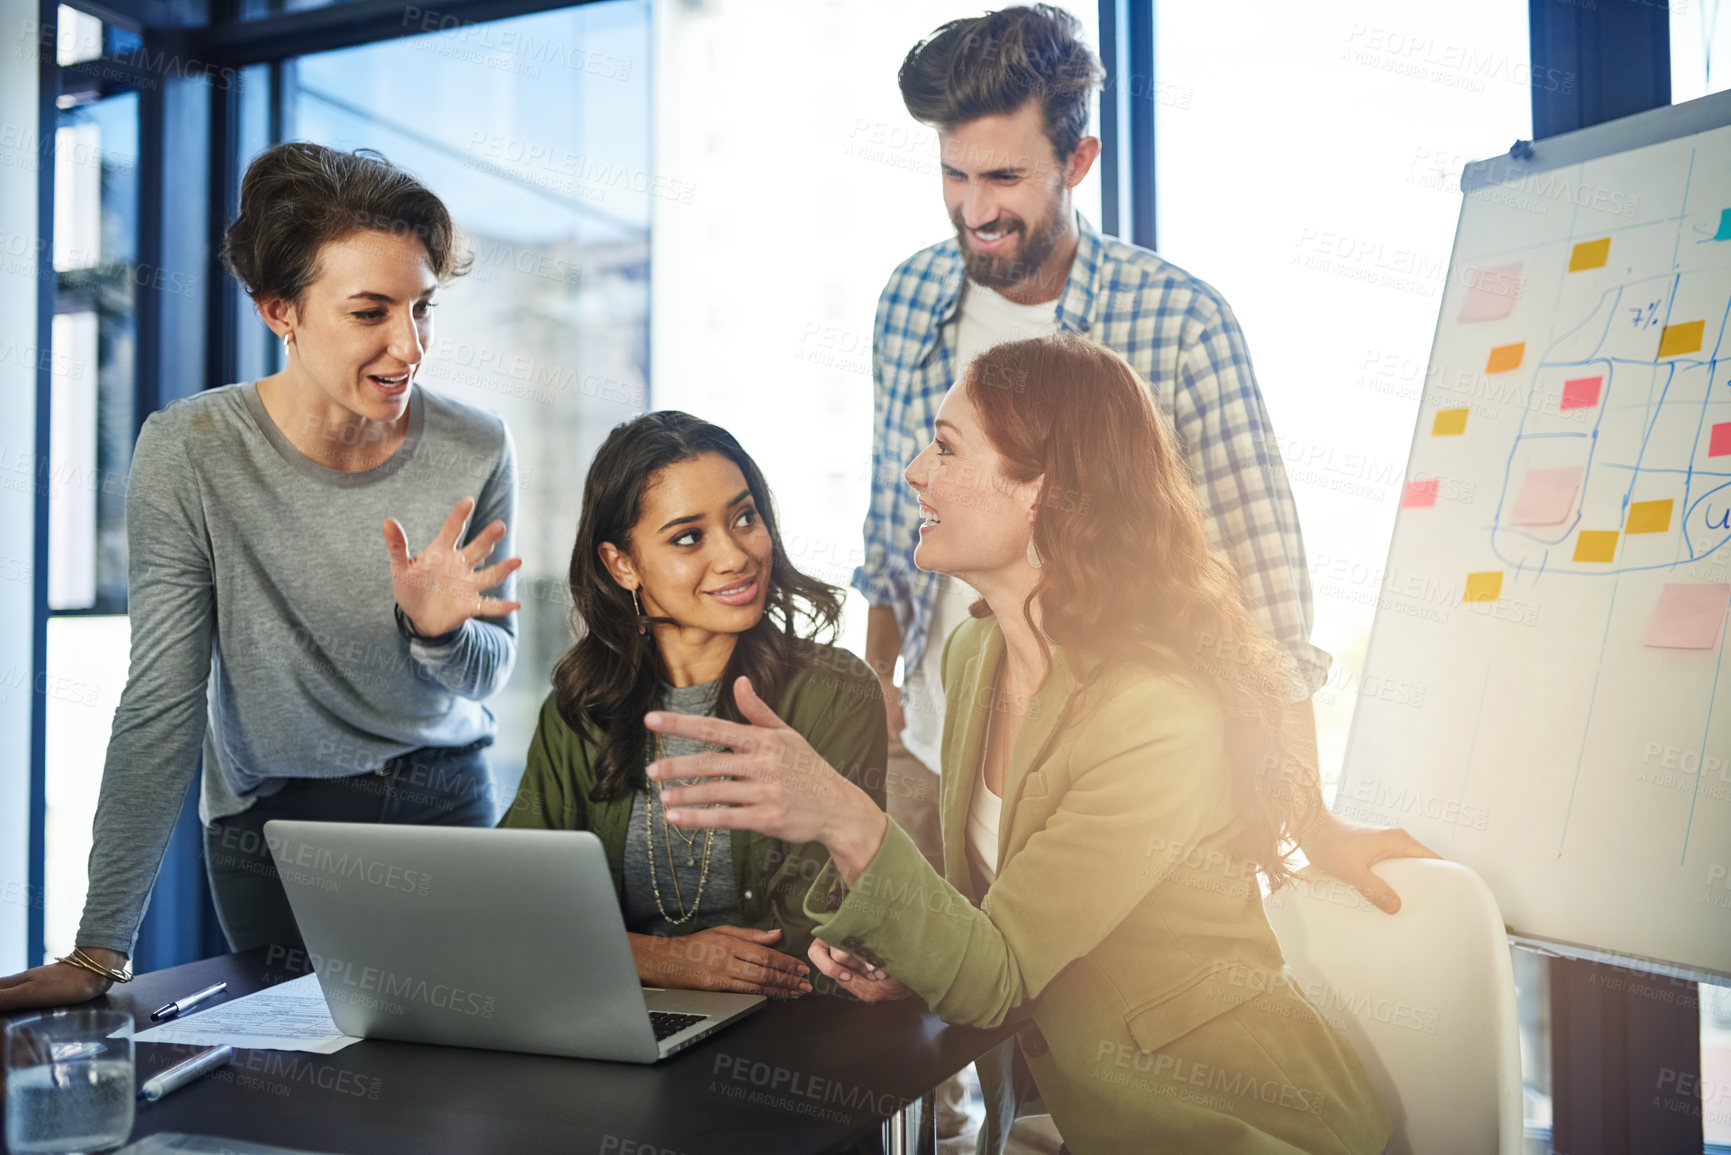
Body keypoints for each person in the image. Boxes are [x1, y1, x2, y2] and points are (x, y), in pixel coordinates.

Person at [645, 335, 1395, 1154]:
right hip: (1075, 1122)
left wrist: (843, 816)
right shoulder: (977, 656)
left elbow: (994, 977)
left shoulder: (1154, 712)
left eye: (945, 446)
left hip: (1237, 1126)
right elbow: (996, 934)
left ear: (1040, 487)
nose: (915, 471)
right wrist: (910, 957)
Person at [858, 4, 1434, 911]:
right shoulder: (909, 298)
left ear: (1077, 162)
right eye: (953, 174)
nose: (974, 210)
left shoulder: (1181, 323)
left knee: (1071, 1025)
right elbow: (889, 524)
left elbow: (1265, 582)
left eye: (1005, 177)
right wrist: (881, 679)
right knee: (933, 1020)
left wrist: (1308, 816)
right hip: (935, 744)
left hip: (1093, 766)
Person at [0, 142, 521, 1011]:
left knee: (454, 1095)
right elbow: (163, 699)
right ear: (279, 310)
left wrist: (438, 631)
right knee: (301, 1096)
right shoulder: (192, 449)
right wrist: (99, 950)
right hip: (271, 830)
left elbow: (492, 667)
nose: (409, 345)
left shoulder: (476, 443)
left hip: (443, 803)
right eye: (370, 311)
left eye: (422, 308)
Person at [498, 412, 887, 998]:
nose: (735, 556)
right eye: (688, 537)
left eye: (744, 518)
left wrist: (615, 951)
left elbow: (827, 936)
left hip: (784, 1031)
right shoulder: (579, 710)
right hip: (621, 1021)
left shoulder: (836, 692)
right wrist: (660, 959)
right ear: (621, 564)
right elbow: (512, 904)